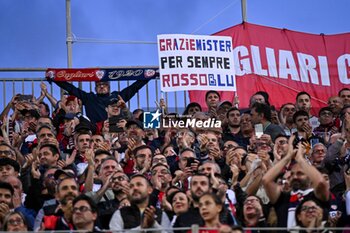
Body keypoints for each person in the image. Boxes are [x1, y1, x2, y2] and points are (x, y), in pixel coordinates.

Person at [50, 78, 150, 123]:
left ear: (109, 87)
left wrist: (149, 76)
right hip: (95, 130)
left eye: (104, 84)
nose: (101, 86)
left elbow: (134, 87)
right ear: (95, 88)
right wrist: (55, 78)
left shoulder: (117, 96)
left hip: (114, 128)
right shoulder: (89, 98)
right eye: (98, 85)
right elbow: (71, 88)